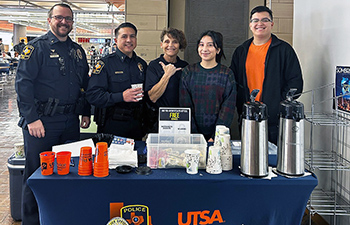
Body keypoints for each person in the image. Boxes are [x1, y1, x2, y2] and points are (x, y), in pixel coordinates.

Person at [15, 3, 91, 224]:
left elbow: (83, 85)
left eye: (68, 19)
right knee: (36, 175)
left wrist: (86, 111)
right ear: (49, 20)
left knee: (68, 172)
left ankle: (61, 217)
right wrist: (32, 119)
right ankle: (31, 221)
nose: (64, 22)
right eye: (59, 18)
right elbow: (23, 85)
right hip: (41, 123)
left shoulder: (77, 51)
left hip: (69, 122)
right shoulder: (35, 48)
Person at [230, 6, 303, 144]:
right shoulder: (241, 51)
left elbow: (296, 82)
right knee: (249, 159)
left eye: (265, 20)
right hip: (248, 116)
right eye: (255, 20)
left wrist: (278, 103)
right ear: (250, 24)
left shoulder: (284, 50)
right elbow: (233, 82)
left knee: (274, 160)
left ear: (272, 24)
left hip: (275, 120)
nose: (260, 24)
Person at [86, 22, 147, 140]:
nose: (129, 40)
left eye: (132, 36)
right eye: (124, 36)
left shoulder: (141, 64)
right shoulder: (105, 64)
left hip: (137, 126)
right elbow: (93, 95)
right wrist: (121, 96)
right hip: (113, 125)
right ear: (116, 40)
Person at [179, 30, 236, 141]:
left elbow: (228, 109)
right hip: (192, 136)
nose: (204, 49)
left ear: (218, 50)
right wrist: (194, 135)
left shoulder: (226, 74)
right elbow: (185, 106)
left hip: (218, 136)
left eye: (210, 45)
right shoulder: (188, 72)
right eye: (201, 45)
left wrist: (216, 136)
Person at [144, 27, 188, 132]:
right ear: (161, 45)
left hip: (180, 120)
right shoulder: (154, 66)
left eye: (175, 42)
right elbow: (152, 97)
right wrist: (167, 75)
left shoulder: (185, 66)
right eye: (166, 41)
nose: (170, 45)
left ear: (179, 45)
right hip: (158, 120)